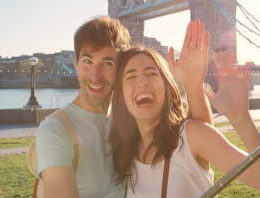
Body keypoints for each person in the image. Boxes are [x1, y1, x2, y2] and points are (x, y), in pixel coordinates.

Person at [35, 15, 212, 198]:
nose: (95, 76)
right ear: (76, 64)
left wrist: (193, 86)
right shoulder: (56, 130)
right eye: (87, 61)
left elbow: (198, 146)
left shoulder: (133, 117)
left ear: (120, 69)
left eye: (107, 63)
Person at [110, 47, 260, 198]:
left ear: (167, 87)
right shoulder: (127, 153)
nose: (142, 83)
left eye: (151, 73)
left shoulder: (191, 136)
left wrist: (241, 119)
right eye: (130, 77)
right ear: (121, 96)